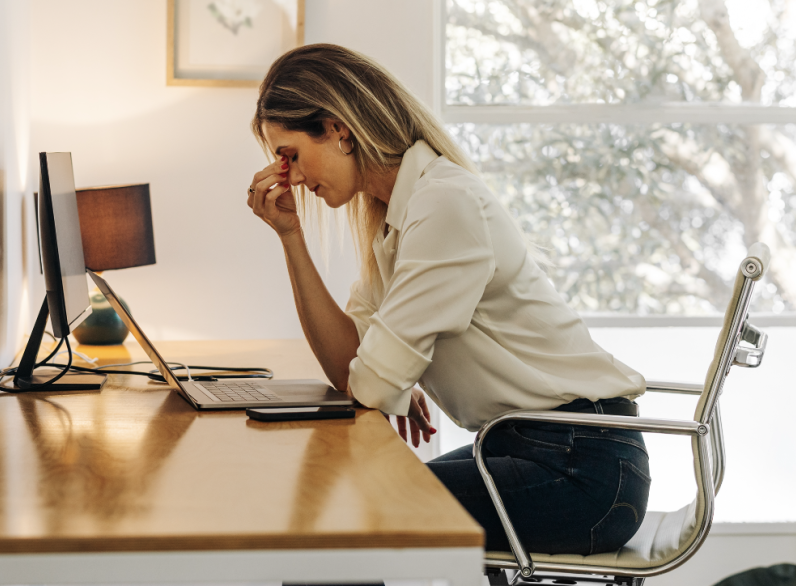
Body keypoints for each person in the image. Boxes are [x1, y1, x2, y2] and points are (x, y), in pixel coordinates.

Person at [245, 43, 649, 556]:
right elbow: (352, 370)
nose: (294, 179)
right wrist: (290, 238)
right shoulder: (400, 218)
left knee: (347, 513)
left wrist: (384, 374)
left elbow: (369, 383)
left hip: (581, 466)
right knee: (353, 499)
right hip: (531, 447)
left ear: (337, 128)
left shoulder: (443, 204)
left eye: (292, 156)